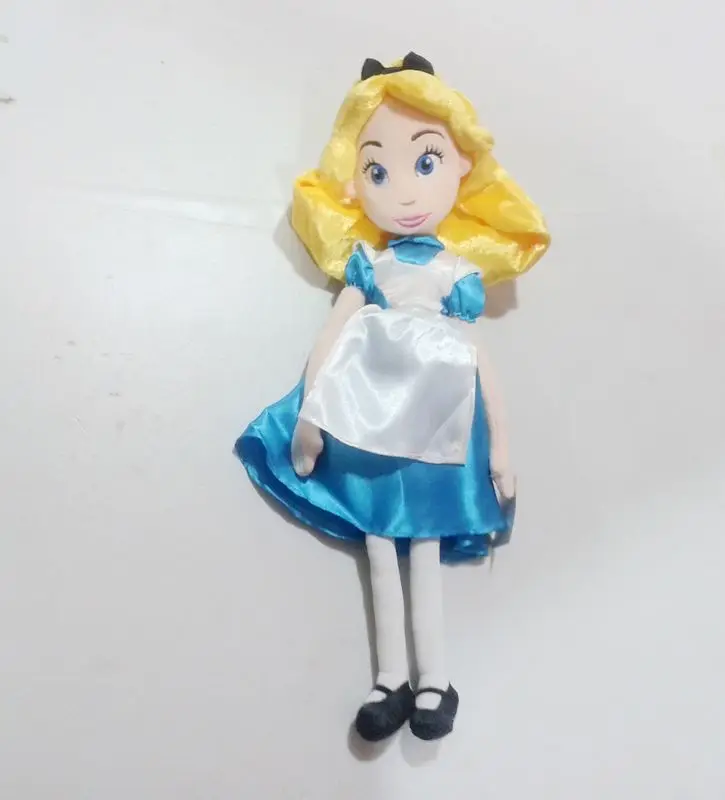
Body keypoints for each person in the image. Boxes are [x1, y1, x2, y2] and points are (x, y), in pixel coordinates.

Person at [235, 53, 550, 741]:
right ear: (355, 183)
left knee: (423, 546)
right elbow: (330, 338)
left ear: (460, 165)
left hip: (437, 421)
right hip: (367, 420)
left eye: (425, 162)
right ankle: (390, 678)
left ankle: (435, 679)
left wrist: (500, 446)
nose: (404, 190)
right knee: (381, 543)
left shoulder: (455, 274)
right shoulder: (368, 268)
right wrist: (311, 416)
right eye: (378, 171)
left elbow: (477, 356)